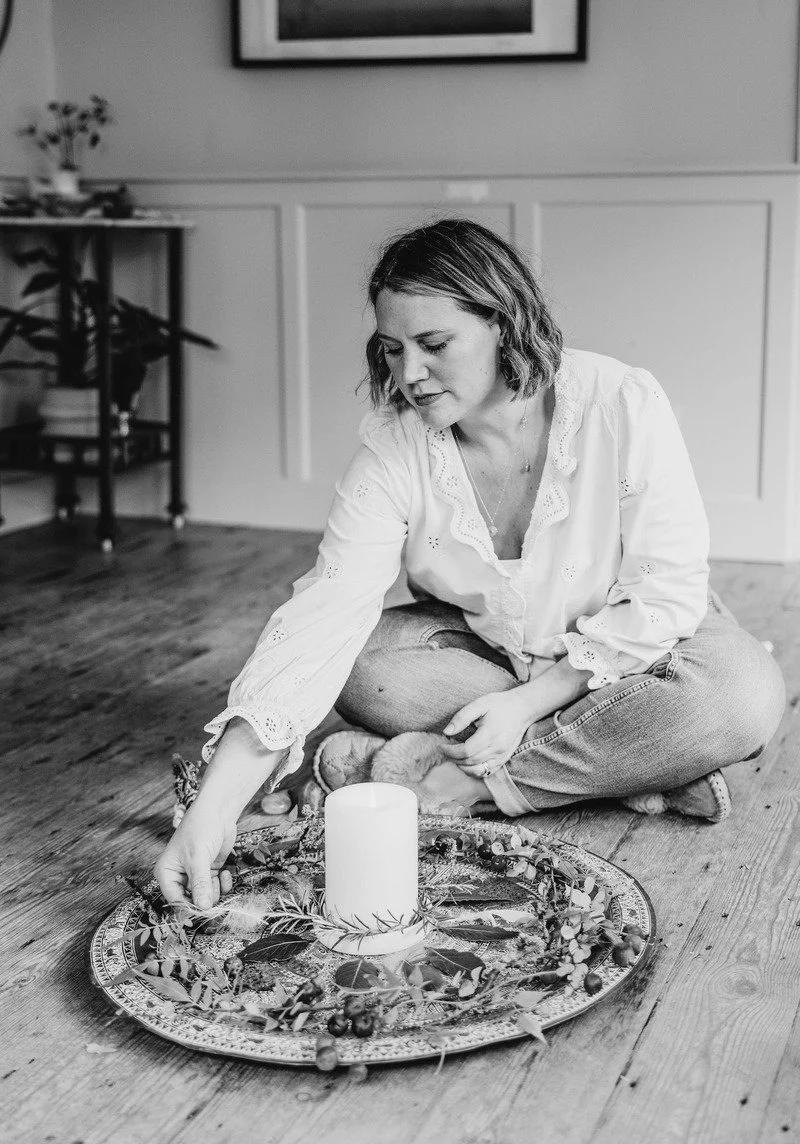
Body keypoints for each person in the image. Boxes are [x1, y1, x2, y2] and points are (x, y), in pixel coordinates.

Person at [155, 218, 786, 910]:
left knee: (741, 695)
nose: (410, 375)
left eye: (433, 344)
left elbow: (665, 596)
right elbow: (323, 615)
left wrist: (525, 706)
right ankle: (642, 762)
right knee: (361, 665)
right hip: (491, 654)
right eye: (392, 350)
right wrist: (212, 809)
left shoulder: (619, 401)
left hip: (634, 650)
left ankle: (463, 783)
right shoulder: (394, 448)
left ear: (504, 323)